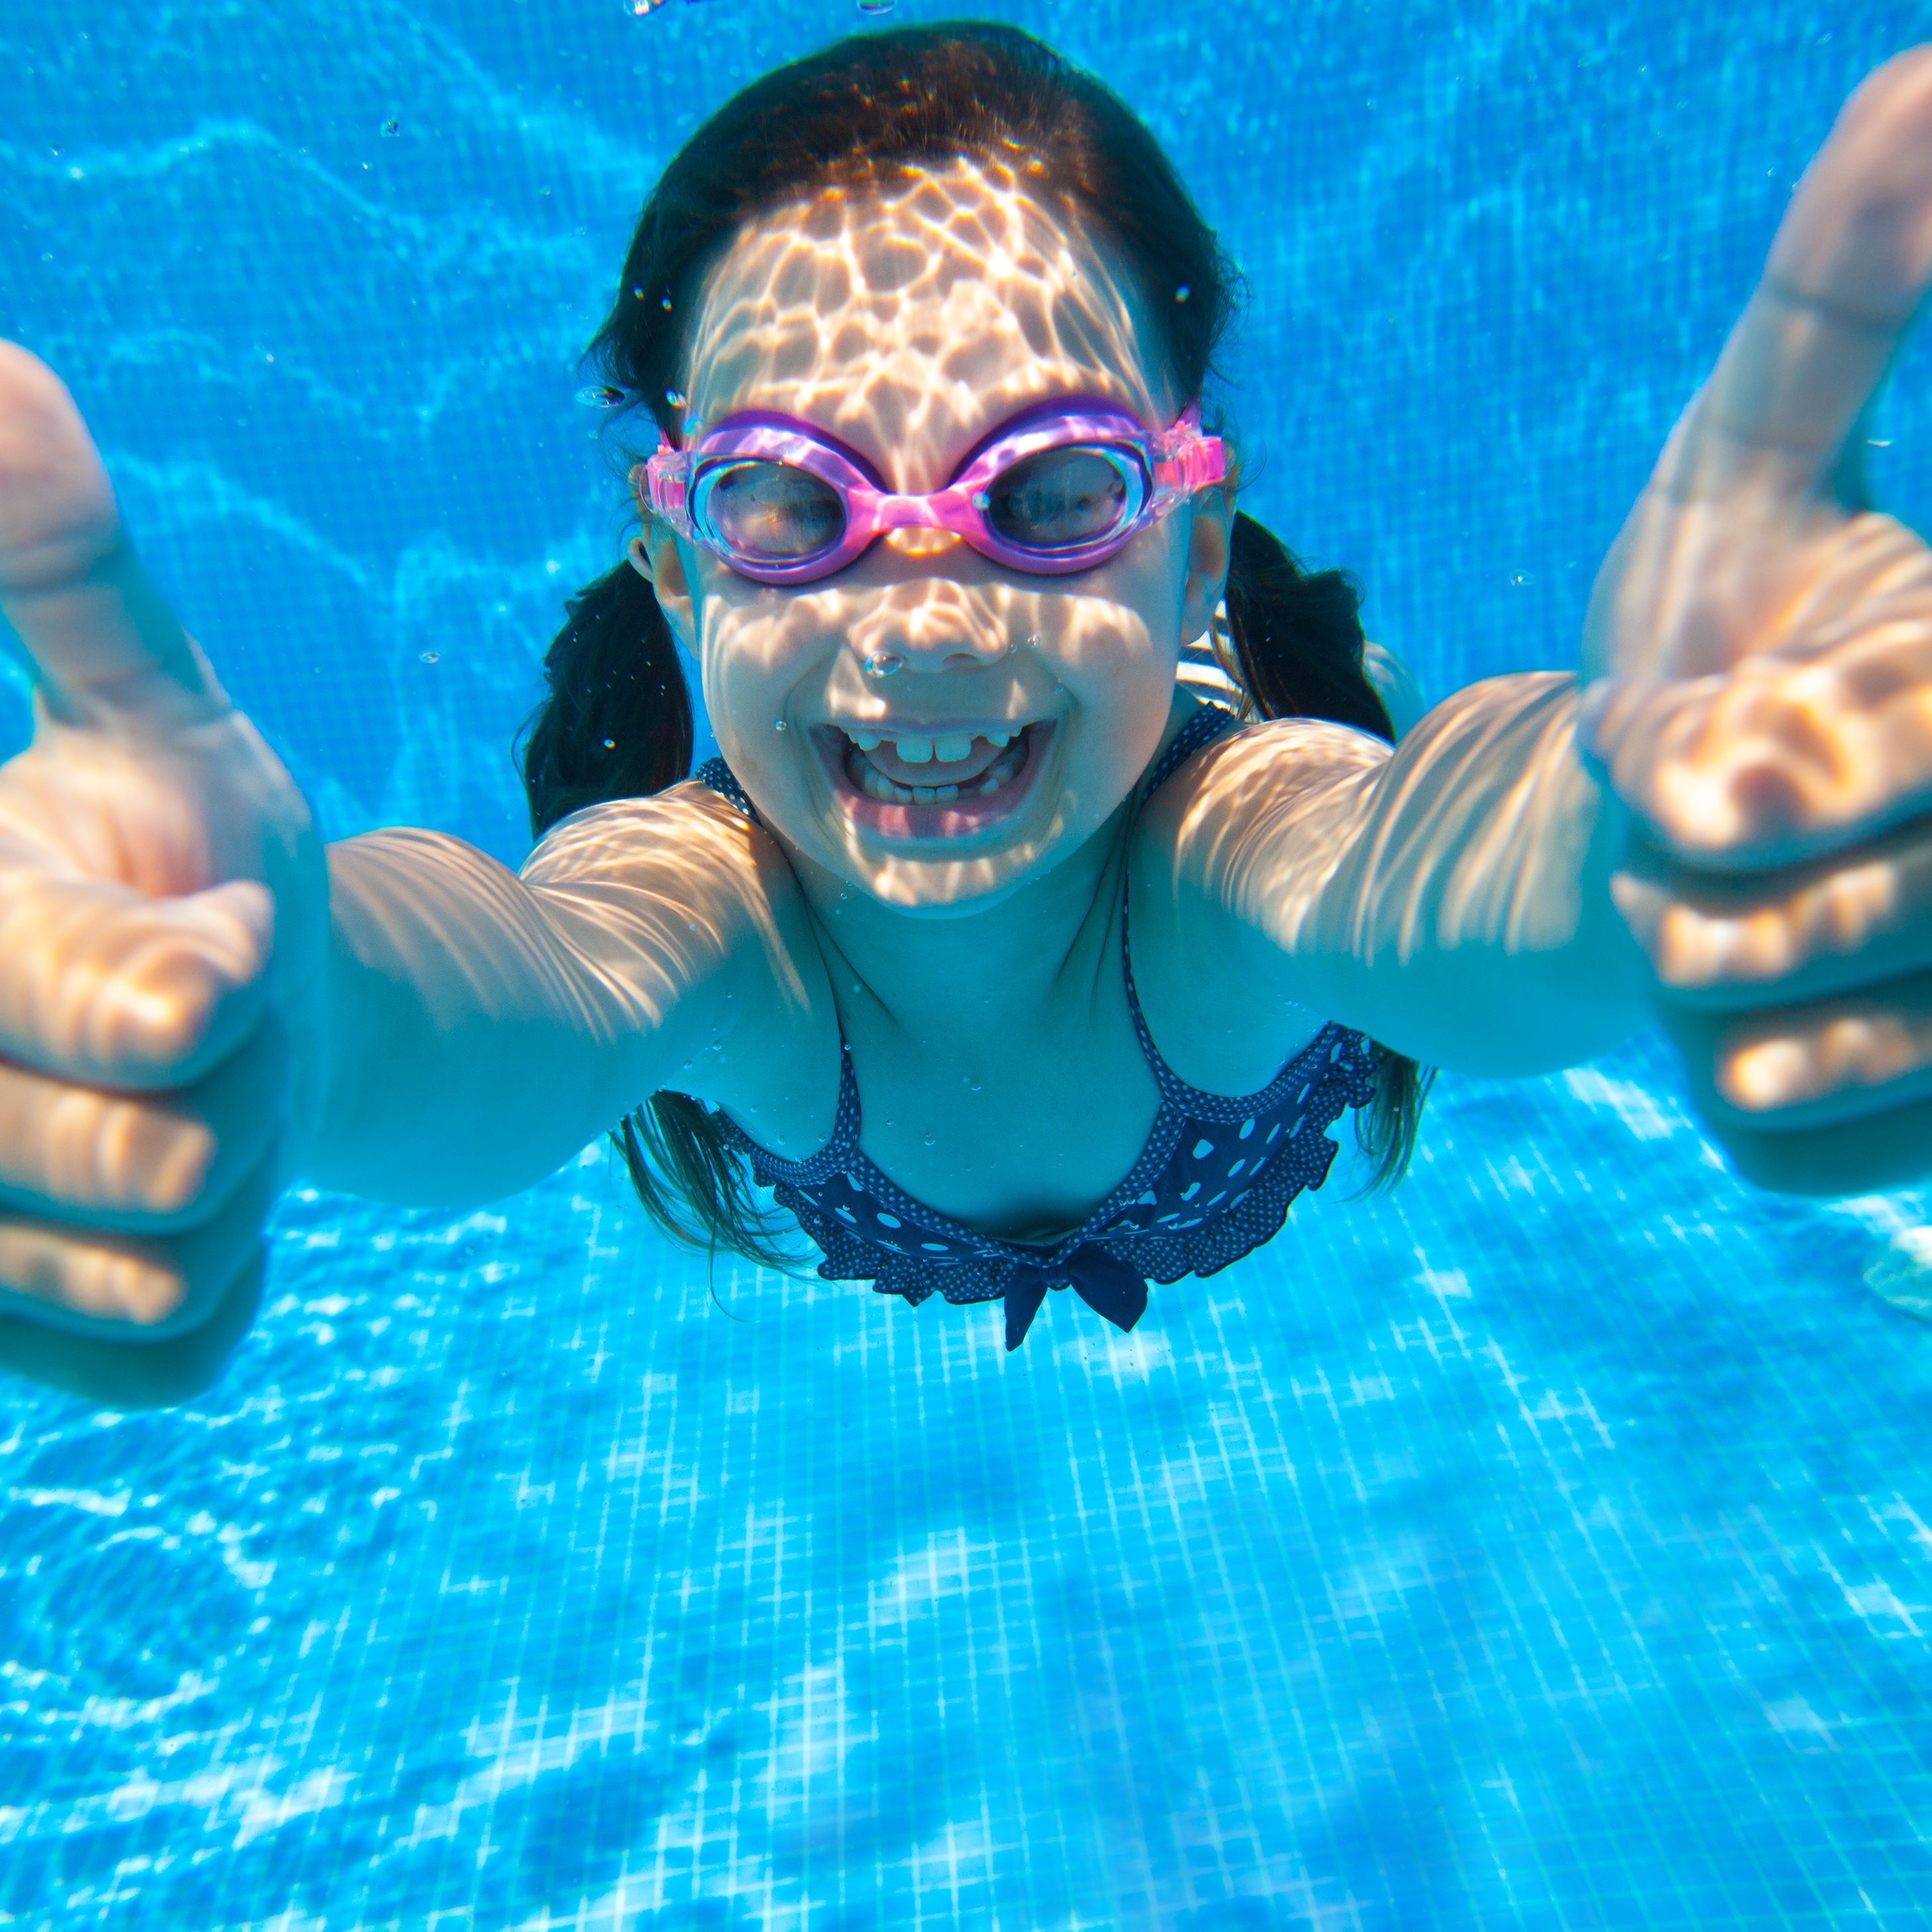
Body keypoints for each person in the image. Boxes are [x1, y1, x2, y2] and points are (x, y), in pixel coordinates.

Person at [1, 25, 1929, 1407]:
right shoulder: (716, 923)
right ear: (680, 578)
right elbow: (519, 983)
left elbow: (1417, 868)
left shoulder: (1219, 855)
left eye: (1053, 492)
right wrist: (288, 998)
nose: (920, 633)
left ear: (1189, 560)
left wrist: (1646, 825)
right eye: (788, 502)